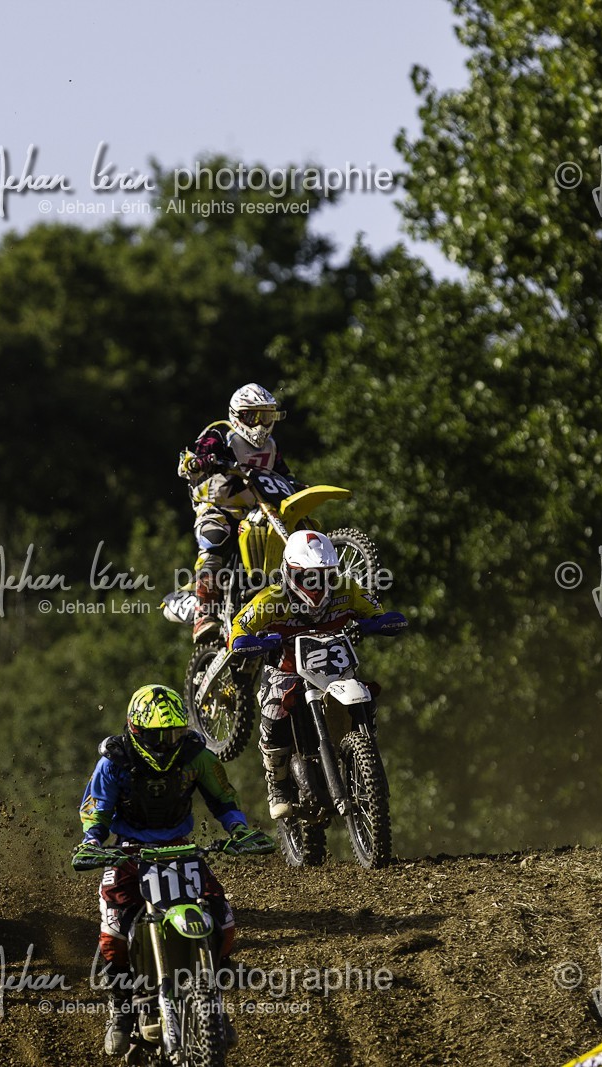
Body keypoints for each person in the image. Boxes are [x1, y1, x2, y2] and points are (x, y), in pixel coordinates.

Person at [72, 683, 272, 1057]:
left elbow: (223, 797)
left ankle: (212, 996)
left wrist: (239, 830)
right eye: (158, 736)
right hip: (129, 854)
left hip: (181, 850)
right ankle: (120, 1008)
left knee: (221, 916)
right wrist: (92, 843)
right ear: (136, 730)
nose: (166, 743)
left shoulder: (196, 756)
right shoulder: (114, 762)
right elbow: (96, 810)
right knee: (113, 930)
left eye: (174, 734)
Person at [228, 530, 406, 820]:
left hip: (336, 672)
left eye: (324, 575)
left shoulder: (347, 589)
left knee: (367, 692)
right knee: (274, 712)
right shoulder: (271, 599)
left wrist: (378, 623)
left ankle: (365, 751)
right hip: (287, 671)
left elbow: (376, 611)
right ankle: (278, 786)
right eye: (307, 576)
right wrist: (253, 642)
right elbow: (239, 630)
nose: (316, 584)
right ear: (289, 572)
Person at [177, 383, 297, 642]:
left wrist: (297, 485)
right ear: (239, 415)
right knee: (215, 538)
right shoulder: (221, 433)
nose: (262, 424)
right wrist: (201, 460)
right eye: (256, 417)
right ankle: (204, 614)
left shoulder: (271, 447)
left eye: (267, 416)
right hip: (217, 507)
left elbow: (284, 474)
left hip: (255, 512)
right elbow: (194, 457)